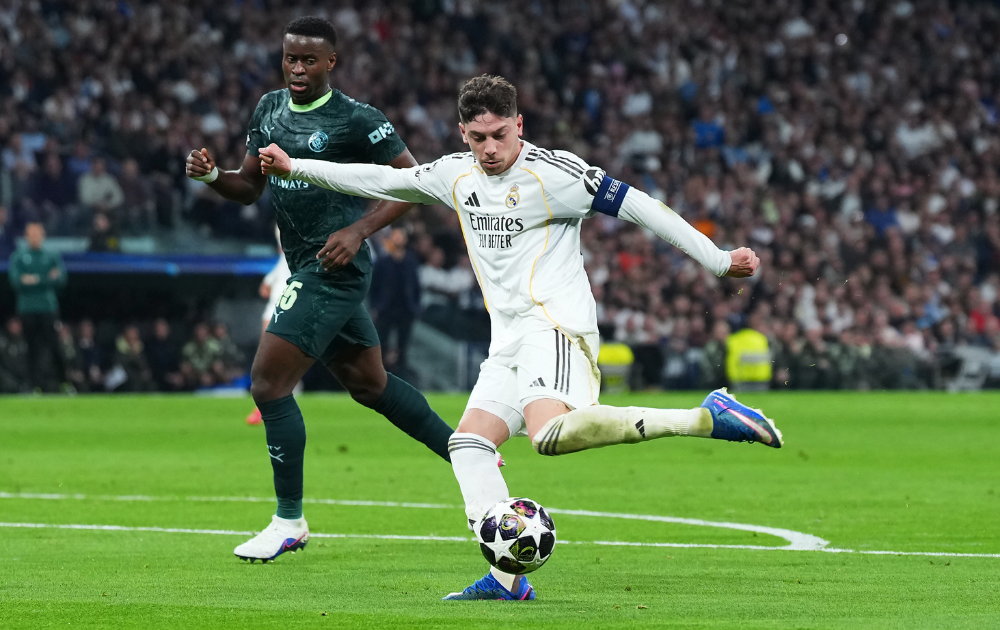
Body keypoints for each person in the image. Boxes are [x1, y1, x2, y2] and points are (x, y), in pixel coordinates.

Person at [261, 74, 783, 600]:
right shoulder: (454, 174)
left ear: (519, 126)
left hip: (554, 325)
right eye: (478, 137)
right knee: (467, 445)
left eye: (500, 135)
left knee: (547, 436)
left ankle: (705, 417)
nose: (490, 149)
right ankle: (507, 580)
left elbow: (642, 206)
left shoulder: (556, 175)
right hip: (507, 336)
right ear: (462, 132)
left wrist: (717, 260)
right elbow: (379, 180)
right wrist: (294, 166)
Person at [183, 16, 455, 562]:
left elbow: (419, 183)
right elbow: (248, 189)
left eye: (309, 60)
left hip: (335, 265)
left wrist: (358, 230)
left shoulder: (357, 120)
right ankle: (465, 449)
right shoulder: (268, 109)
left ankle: (289, 520)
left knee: (267, 383)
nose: (297, 69)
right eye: (290, 59)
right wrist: (213, 178)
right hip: (305, 261)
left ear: (332, 62)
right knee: (370, 384)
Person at [7, 222, 66, 391]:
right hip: (27, 308)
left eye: (37, 234)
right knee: (31, 347)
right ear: (26, 237)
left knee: (54, 345)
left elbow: (61, 278)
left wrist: (33, 279)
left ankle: (62, 382)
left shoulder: (52, 255)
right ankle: (34, 385)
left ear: (42, 236)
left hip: (48, 307)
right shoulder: (19, 256)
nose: (33, 237)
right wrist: (46, 278)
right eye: (30, 234)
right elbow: (16, 281)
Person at [247, 227, 293, 425]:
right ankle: (266, 401)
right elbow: (268, 284)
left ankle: (272, 400)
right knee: (266, 356)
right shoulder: (283, 261)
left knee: (276, 357)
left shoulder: (296, 257)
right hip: (275, 309)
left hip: (286, 310)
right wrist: (268, 282)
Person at [370, 227, 421, 376]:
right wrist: (375, 306)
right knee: (382, 344)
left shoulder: (411, 261)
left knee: (403, 345)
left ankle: (401, 374)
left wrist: (416, 306)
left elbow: (416, 285)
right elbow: (375, 286)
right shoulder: (383, 262)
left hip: (405, 309)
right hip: (386, 309)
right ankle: (381, 375)